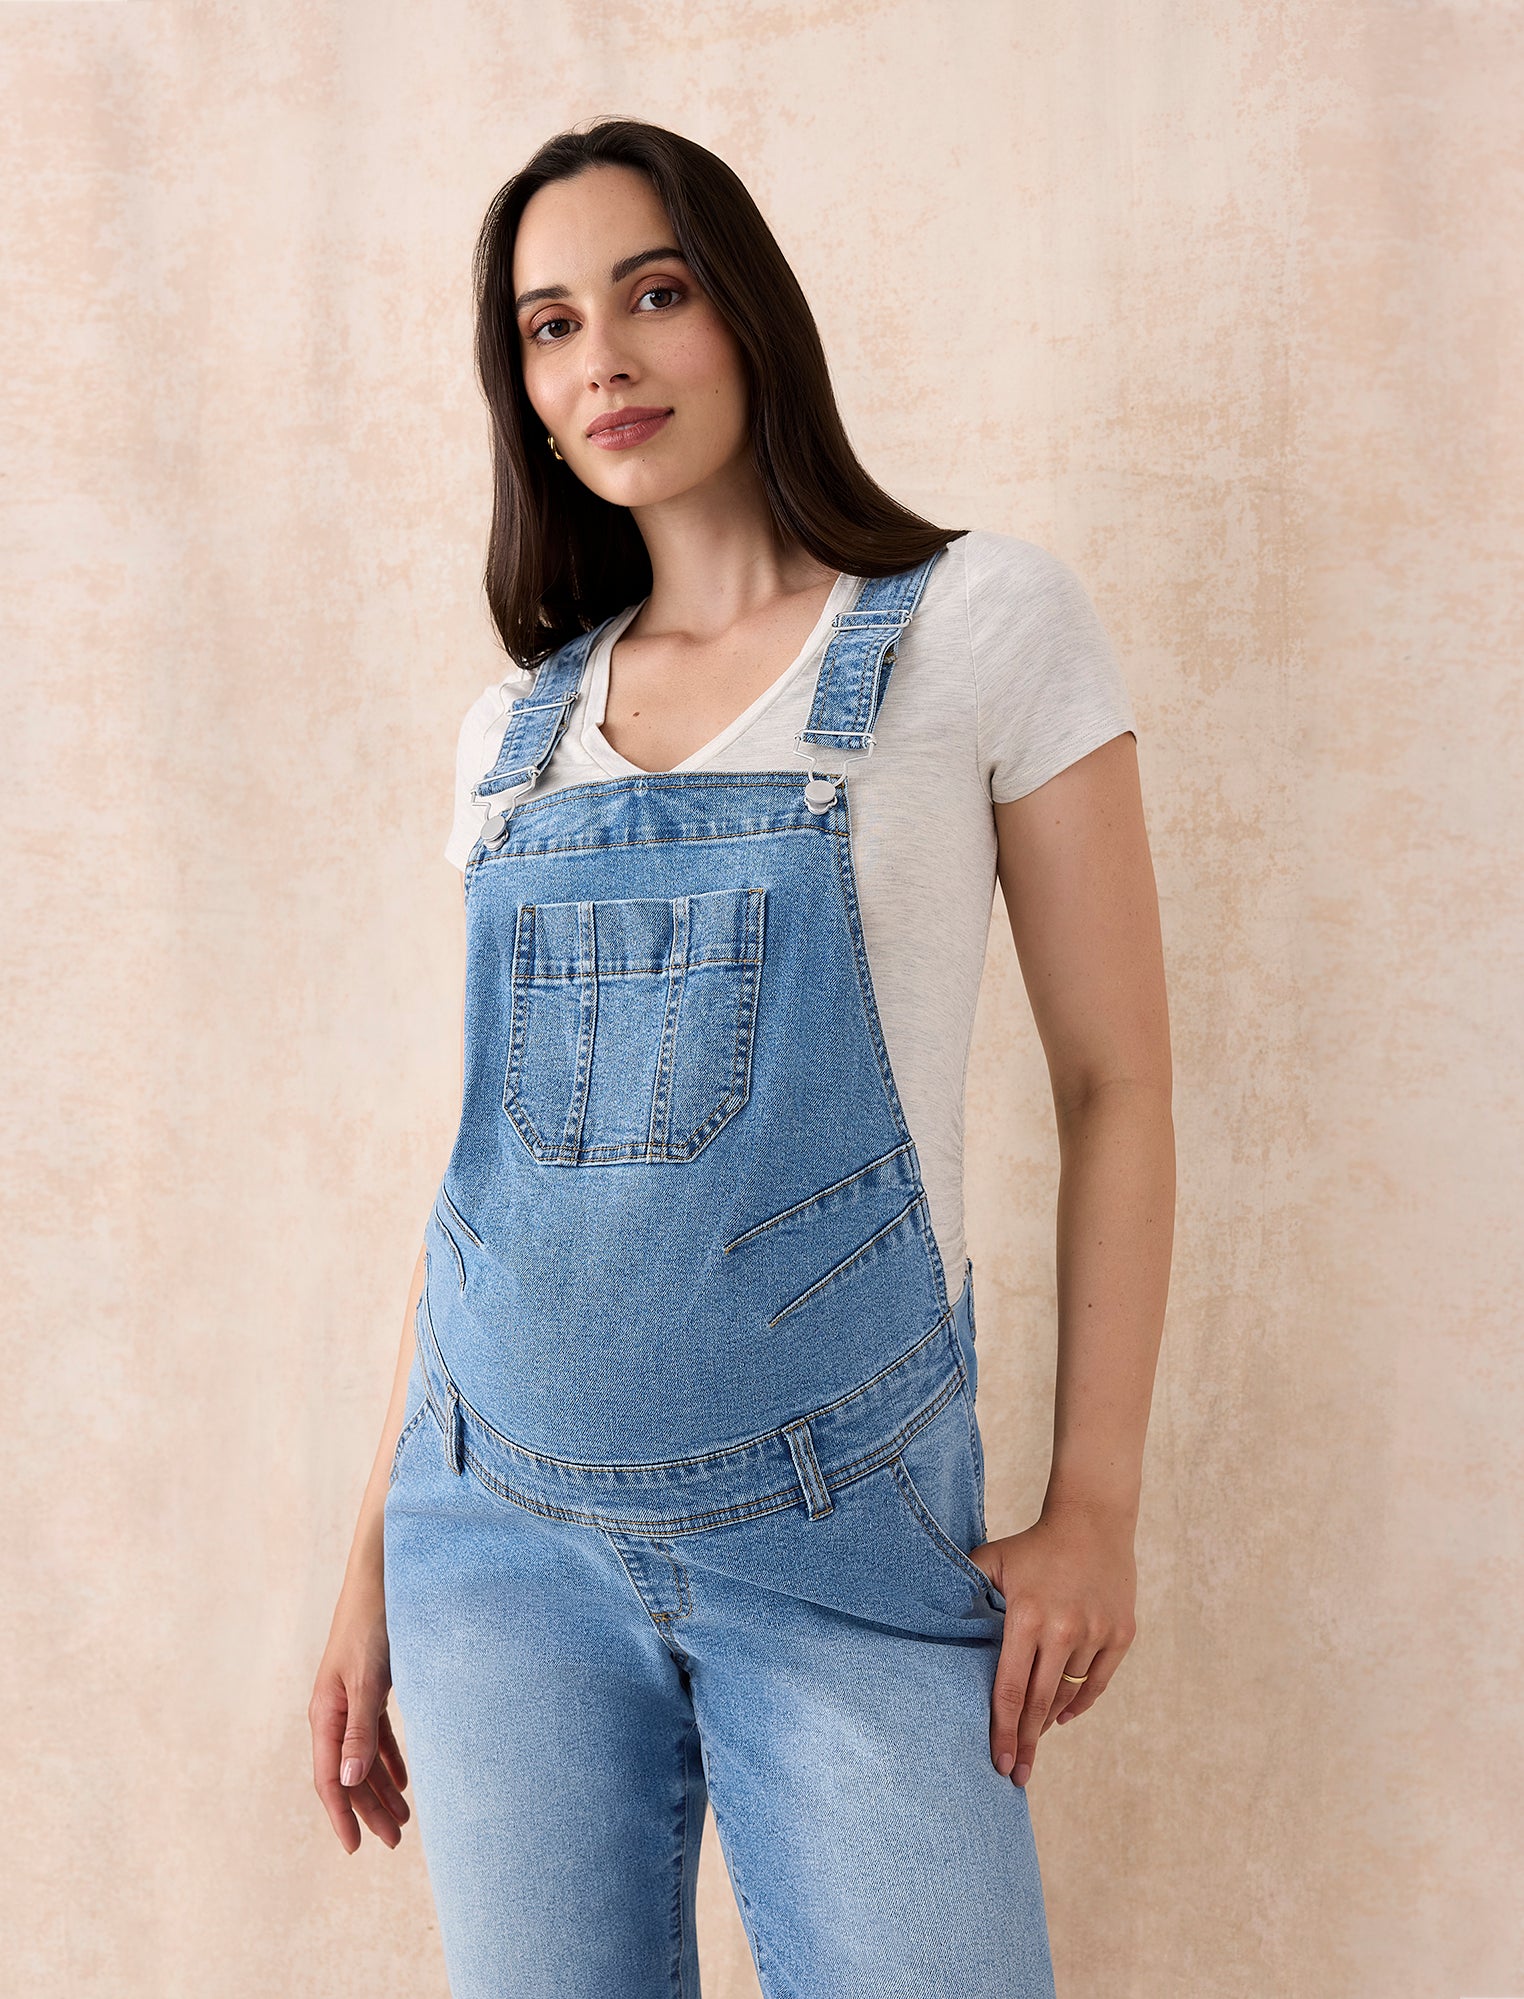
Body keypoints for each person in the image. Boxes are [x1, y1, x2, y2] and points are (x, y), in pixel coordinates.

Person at [308, 116, 1174, 1999]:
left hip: (850, 1541)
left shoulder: (977, 631)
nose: (601, 356)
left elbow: (1118, 1084)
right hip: (496, 1548)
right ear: (525, 399)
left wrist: (1094, 1497)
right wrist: (373, 1546)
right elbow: (481, 1170)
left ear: (749, 316)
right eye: (547, 328)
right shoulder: (507, 741)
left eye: (654, 293)